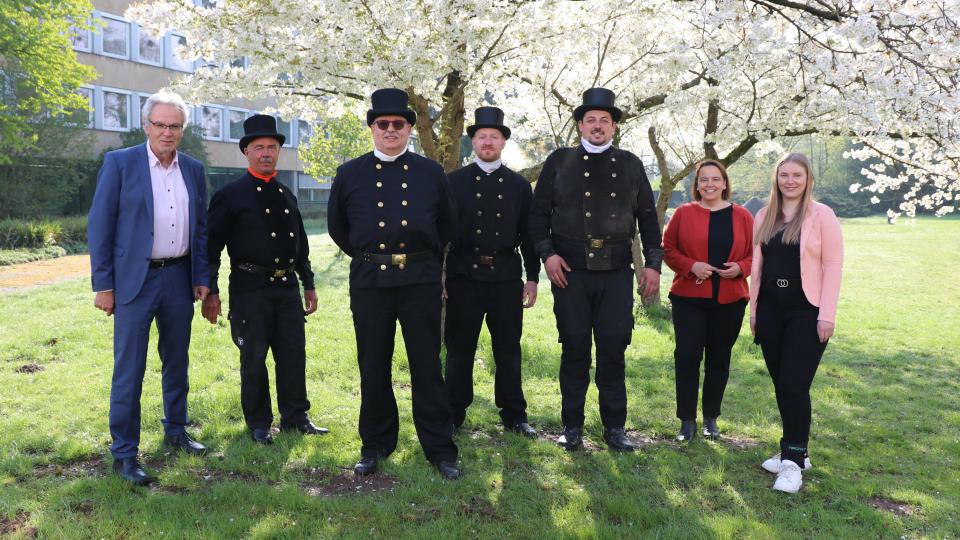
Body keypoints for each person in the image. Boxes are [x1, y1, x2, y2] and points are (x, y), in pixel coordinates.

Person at [327, 88, 461, 480]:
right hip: (370, 281)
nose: (390, 130)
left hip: (418, 280)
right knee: (373, 365)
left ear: (409, 129)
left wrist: (425, 260)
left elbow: (448, 224)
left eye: (398, 125)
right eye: (382, 124)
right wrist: (371, 256)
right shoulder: (349, 173)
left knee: (426, 366)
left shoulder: (431, 172)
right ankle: (375, 444)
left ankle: (439, 448)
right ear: (372, 128)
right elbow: (338, 228)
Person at [529, 88, 663, 452]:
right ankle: (571, 427)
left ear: (614, 127)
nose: (598, 126)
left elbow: (648, 219)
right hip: (569, 271)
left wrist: (652, 266)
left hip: (617, 272)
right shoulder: (559, 161)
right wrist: (548, 256)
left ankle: (614, 428)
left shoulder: (632, 164)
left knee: (613, 348)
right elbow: (537, 216)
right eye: (591, 120)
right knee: (573, 347)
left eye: (605, 120)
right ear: (580, 126)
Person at [88, 91, 211, 485]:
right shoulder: (120, 163)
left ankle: (176, 431)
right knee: (130, 369)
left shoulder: (192, 169)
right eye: (160, 124)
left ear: (182, 130)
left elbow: (201, 229)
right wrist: (103, 285)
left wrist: (202, 277)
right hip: (133, 283)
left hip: (178, 277)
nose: (167, 132)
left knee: (177, 362)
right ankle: (124, 453)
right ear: (146, 125)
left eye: (175, 126)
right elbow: (100, 226)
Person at [202, 114, 328, 445]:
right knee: (254, 357)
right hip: (249, 289)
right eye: (259, 147)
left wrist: (309, 283)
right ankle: (259, 422)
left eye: (272, 147)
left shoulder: (286, 194)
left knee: (292, 354)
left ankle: (296, 417)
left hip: (286, 288)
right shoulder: (230, 195)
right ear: (246, 152)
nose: (266, 153)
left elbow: (300, 244)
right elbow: (211, 247)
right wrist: (211, 291)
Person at [750, 152, 843, 493]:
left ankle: (792, 463)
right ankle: (796, 450)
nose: (790, 181)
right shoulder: (764, 215)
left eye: (797, 175)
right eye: (784, 175)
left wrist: (827, 314)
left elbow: (833, 266)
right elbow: (757, 268)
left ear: (808, 180)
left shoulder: (822, 216)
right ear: (776, 179)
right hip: (771, 311)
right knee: (782, 384)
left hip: (807, 311)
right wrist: (755, 312)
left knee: (793, 383)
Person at [444, 106, 540, 438]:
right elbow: (439, 233)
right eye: (482, 136)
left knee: (509, 349)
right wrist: (441, 275)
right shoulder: (452, 182)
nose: (487, 142)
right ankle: (453, 413)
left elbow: (529, 235)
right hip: (462, 276)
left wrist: (533, 276)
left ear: (503, 142)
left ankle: (514, 414)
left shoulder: (518, 186)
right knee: (459, 349)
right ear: (473, 142)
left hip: (505, 277)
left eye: (494, 137)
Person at [662, 159, 753, 442]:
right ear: (697, 184)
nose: (710, 184)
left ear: (725, 183)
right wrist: (691, 266)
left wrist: (741, 268)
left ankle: (711, 417)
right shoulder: (683, 213)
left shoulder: (742, 216)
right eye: (704, 179)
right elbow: (668, 249)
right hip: (689, 297)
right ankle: (686, 420)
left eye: (716, 179)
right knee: (687, 357)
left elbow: (756, 254)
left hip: (730, 299)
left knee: (719, 359)